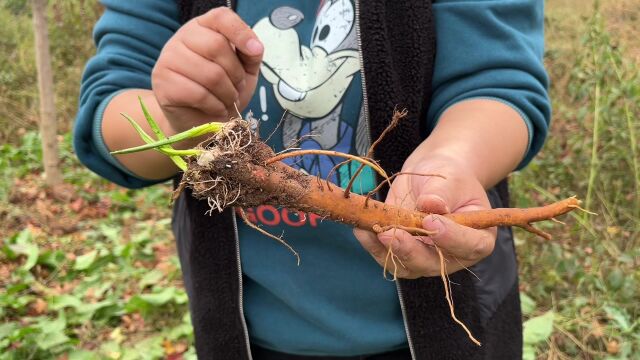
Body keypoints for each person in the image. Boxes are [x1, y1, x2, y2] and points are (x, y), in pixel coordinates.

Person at [74, 0, 550, 359]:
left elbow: (498, 81)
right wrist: (176, 118)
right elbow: (110, 108)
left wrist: (452, 161)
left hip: (450, 329)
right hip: (242, 336)